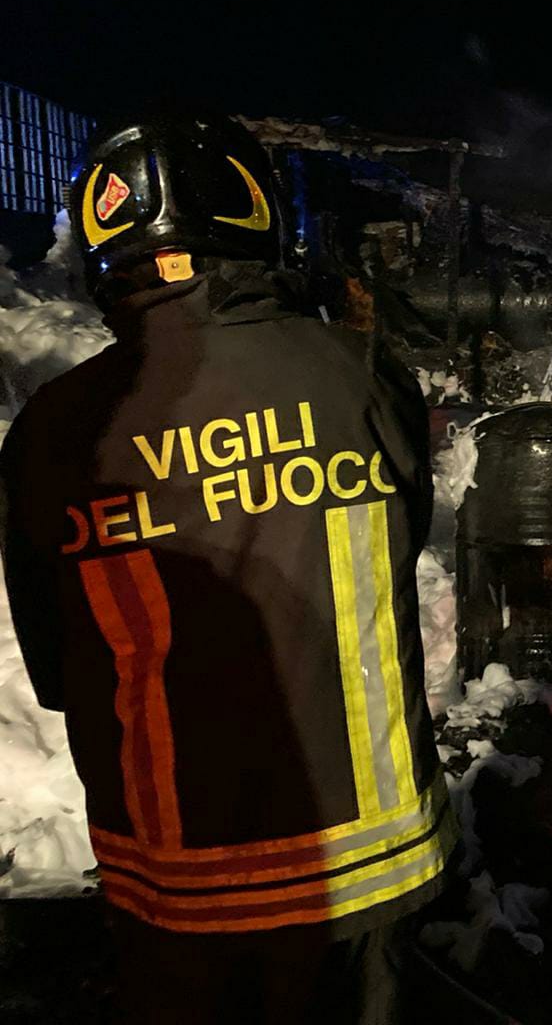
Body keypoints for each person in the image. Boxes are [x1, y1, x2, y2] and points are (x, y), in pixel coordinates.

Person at [0, 113, 455, 1023]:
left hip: (175, 881)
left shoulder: (55, 428)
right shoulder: (359, 373)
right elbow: (408, 537)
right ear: (255, 220)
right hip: (364, 864)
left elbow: (54, 669)